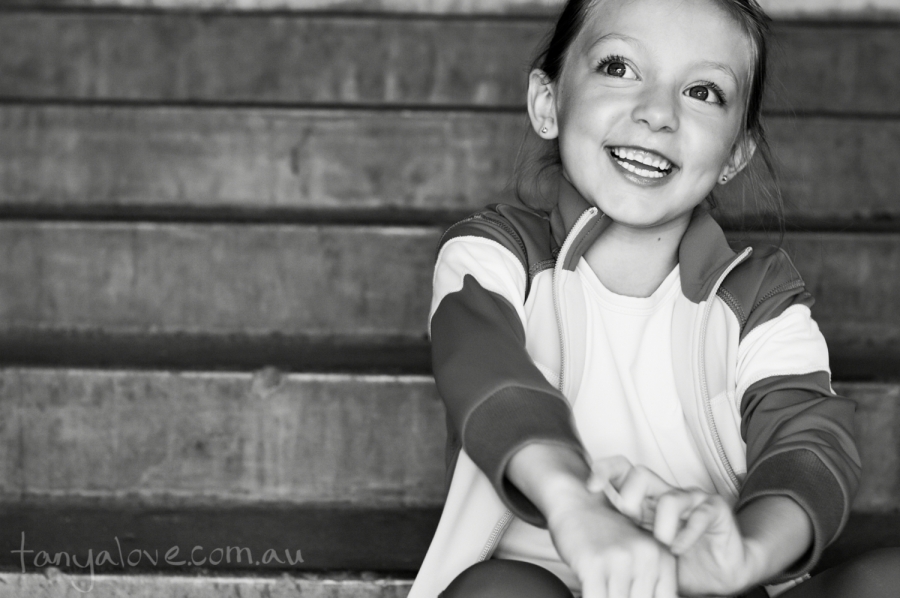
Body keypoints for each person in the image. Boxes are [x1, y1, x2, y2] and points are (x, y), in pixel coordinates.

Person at [409, 0, 900, 597]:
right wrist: (573, 505)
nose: (659, 113)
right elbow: (485, 369)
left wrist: (744, 554)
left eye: (703, 92)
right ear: (547, 103)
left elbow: (810, 442)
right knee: (498, 590)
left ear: (735, 153)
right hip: (542, 585)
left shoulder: (761, 297)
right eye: (618, 68)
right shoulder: (493, 254)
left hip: (713, 590)